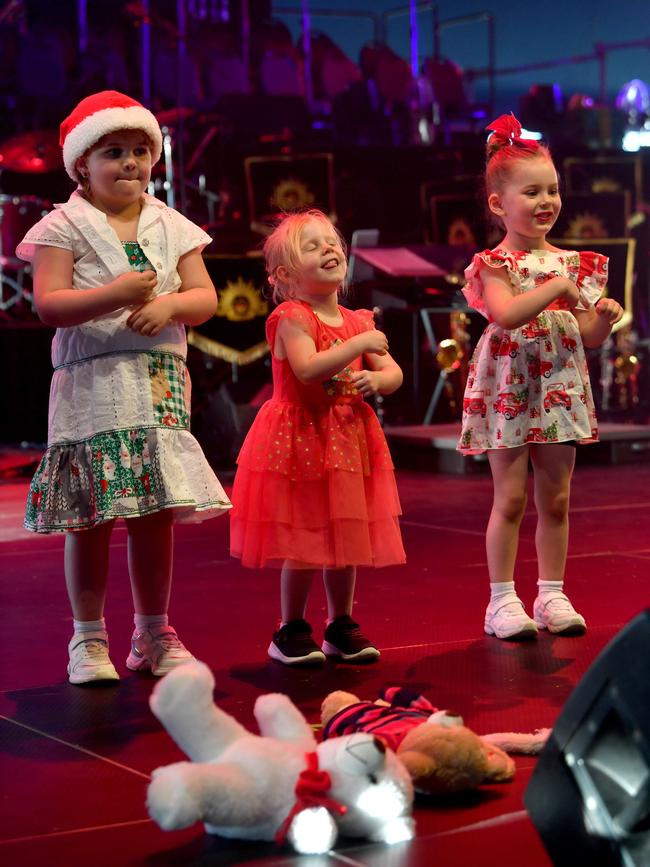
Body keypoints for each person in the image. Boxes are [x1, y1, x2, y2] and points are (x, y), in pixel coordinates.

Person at [16, 91, 232, 684]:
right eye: (114, 152)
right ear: (82, 163)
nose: (131, 163)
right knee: (90, 515)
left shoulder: (171, 223)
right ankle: (87, 639)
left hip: (157, 382)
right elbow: (49, 304)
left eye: (141, 150)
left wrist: (166, 307)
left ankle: (153, 630)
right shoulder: (62, 226)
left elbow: (204, 296)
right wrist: (114, 295)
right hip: (94, 384)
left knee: (153, 513)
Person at [458, 113, 623, 641]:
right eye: (531, 192)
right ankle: (501, 600)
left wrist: (601, 318)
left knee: (556, 499)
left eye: (552, 190)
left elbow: (588, 335)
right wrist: (555, 289)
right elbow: (505, 314)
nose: (546, 201)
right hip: (511, 386)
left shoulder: (576, 263)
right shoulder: (494, 262)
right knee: (509, 498)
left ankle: (552, 593)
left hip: (560, 385)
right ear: (497, 203)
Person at [230, 209, 405, 665]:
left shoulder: (359, 321)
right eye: (314, 245)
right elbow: (307, 369)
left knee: (345, 539)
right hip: (302, 436)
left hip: (347, 436)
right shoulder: (292, 316)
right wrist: (358, 348)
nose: (330, 249)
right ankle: (290, 628)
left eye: (333, 242)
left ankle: (340, 623)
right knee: (303, 539)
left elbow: (393, 371)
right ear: (286, 275)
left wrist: (379, 381)